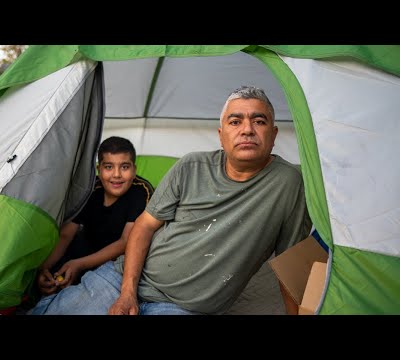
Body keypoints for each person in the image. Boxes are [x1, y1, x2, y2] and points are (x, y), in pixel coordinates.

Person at [28, 86, 311, 315]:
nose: (247, 129)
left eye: (259, 121)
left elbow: (291, 263)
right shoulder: (191, 166)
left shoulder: (288, 183)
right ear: (221, 135)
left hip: (181, 307)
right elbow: (144, 227)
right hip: (123, 279)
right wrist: (127, 292)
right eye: (235, 121)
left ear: (273, 135)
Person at [34, 136, 154, 297]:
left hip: (118, 261)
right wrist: (44, 268)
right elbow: (66, 234)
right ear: (99, 169)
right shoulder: (90, 190)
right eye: (109, 167)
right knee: (53, 278)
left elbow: (126, 241)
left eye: (124, 167)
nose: (117, 175)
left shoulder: (142, 191)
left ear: (134, 169)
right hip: (87, 250)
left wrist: (79, 265)